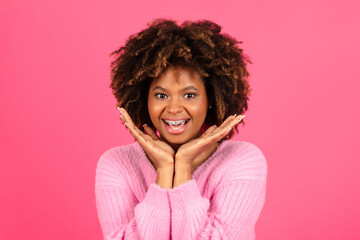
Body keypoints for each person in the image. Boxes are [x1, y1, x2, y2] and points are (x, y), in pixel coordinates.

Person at [95, 18, 267, 240]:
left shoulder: (242, 160)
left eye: (189, 95)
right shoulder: (116, 164)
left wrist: (183, 167)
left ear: (211, 99)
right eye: (161, 95)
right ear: (143, 99)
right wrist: (166, 170)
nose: (174, 108)